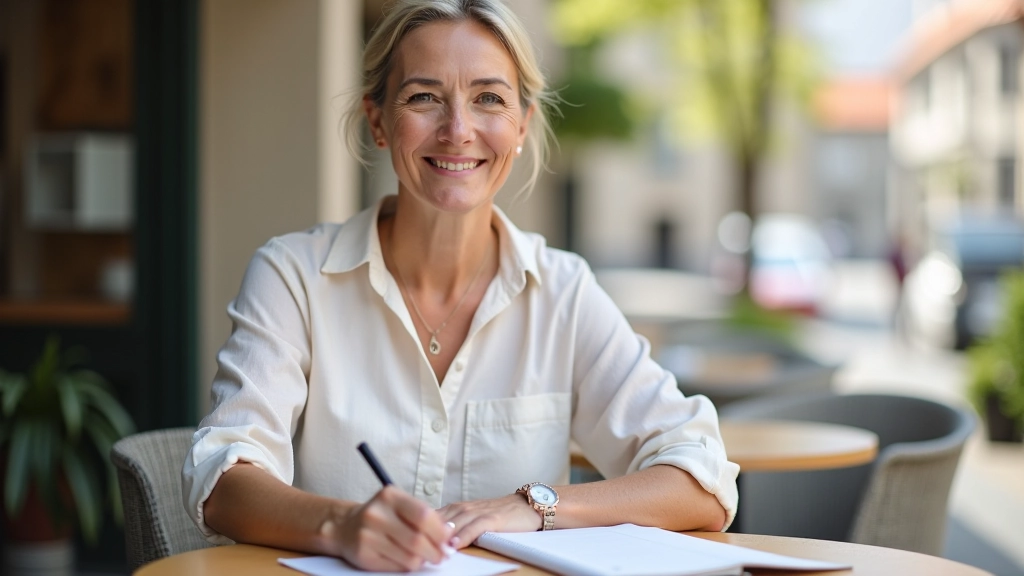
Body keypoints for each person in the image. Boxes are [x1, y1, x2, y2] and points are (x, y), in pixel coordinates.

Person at [182, 0, 739, 571]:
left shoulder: (563, 291)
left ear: (521, 126)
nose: (457, 130)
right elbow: (224, 476)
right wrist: (342, 524)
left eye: (489, 99)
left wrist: (533, 507)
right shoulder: (293, 276)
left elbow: (701, 479)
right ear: (378, 120)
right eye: (423, 97)